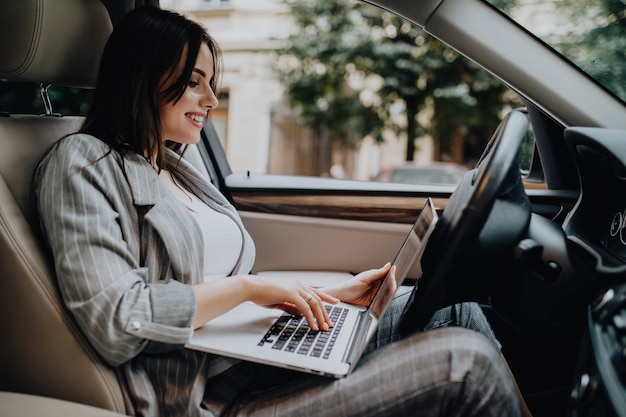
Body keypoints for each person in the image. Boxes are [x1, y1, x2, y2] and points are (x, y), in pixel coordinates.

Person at [34, 6, 530, 417]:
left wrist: (322, 296)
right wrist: (252, 287)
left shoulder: (171, 164)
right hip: (207, 398)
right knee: (464, 365)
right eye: (193, 82)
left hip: (257, 358)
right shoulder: (81, 162)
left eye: (210, 82)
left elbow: (208, 284)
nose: (210, 99)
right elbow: (117, 321)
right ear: (142, 80)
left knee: (455, 307)